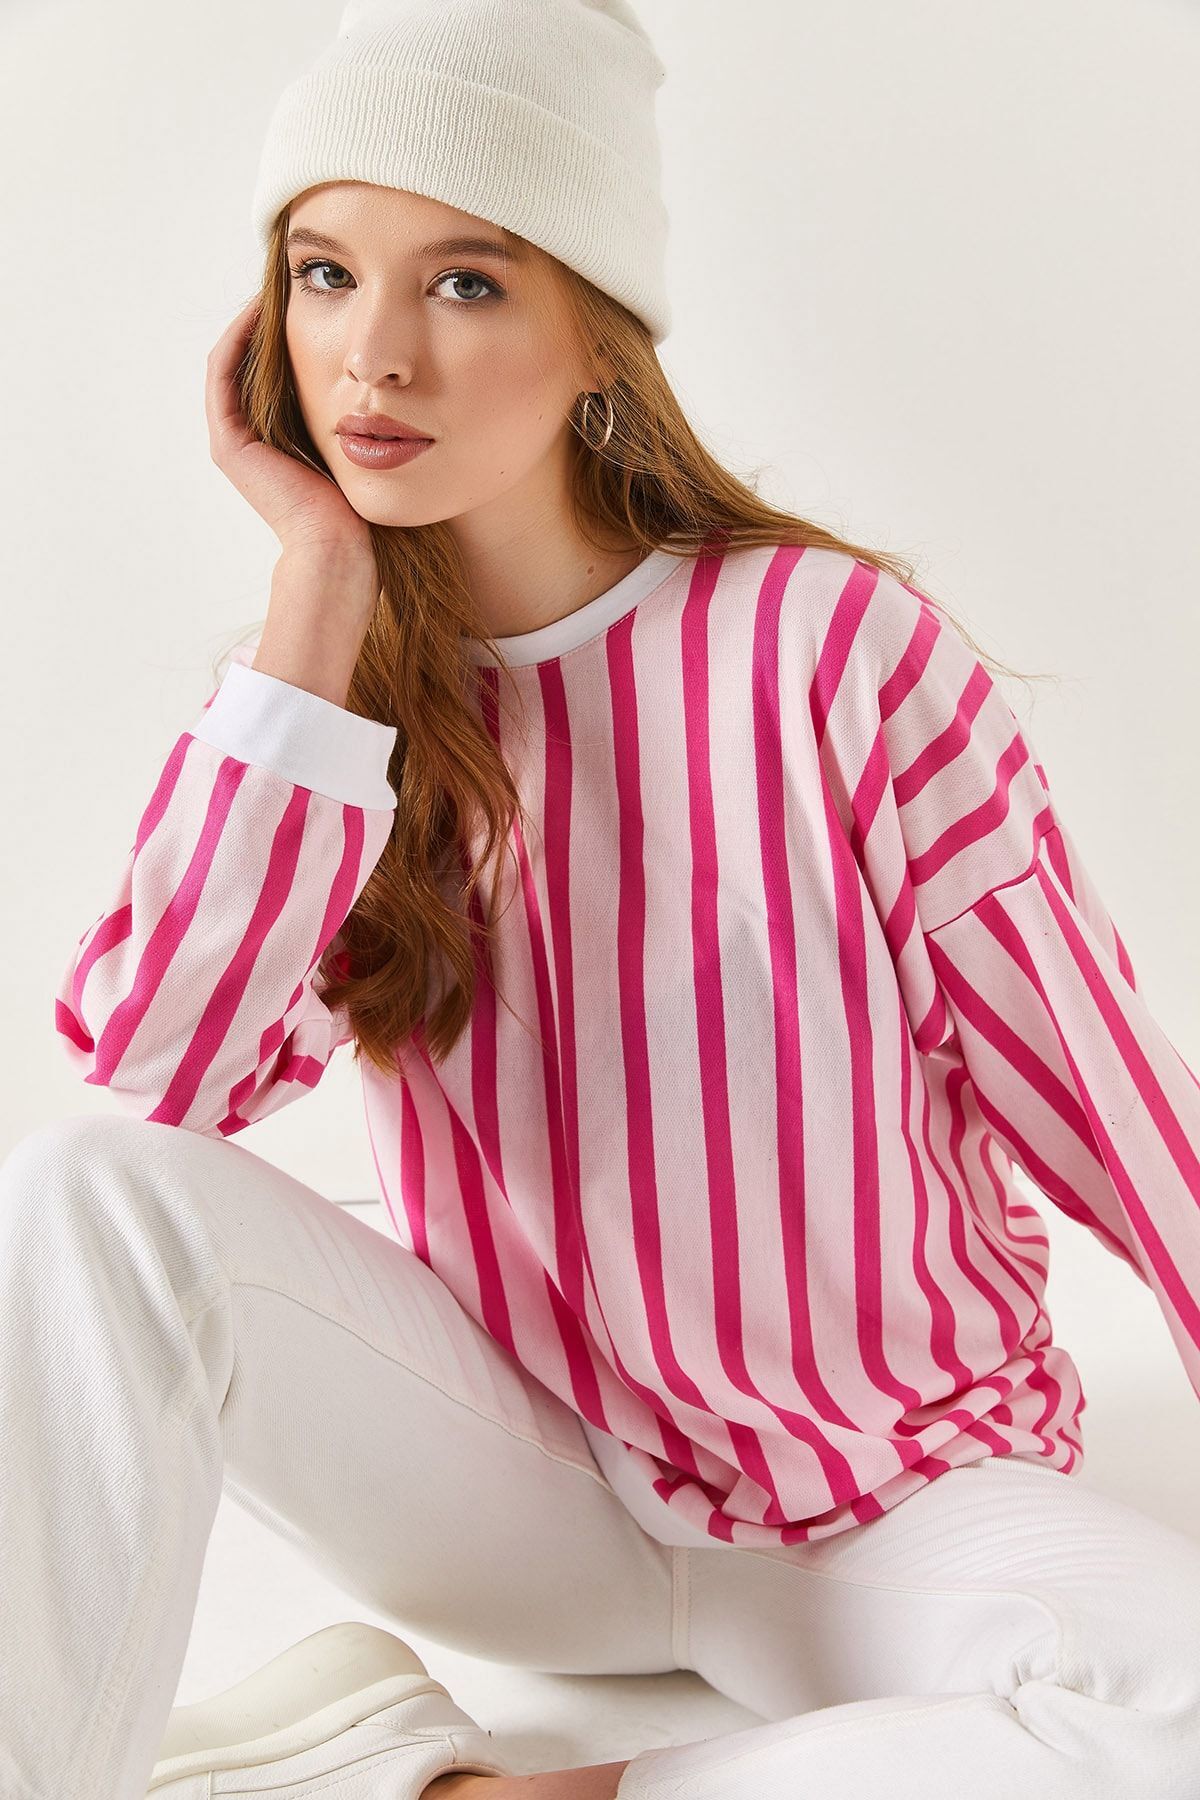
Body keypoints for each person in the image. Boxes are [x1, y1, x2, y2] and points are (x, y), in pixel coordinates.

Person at [6, 0, 1200, 1796]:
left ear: (595, 340)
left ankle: (451, 1788)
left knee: (1180, 1707)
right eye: (325, 276)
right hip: (528, 1495)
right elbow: (162, 1078)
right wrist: (317, 584)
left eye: (465, 282)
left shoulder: (827, 649)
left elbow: (1104, 1091)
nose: (373, 356)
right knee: (84, 1190)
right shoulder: (331, 707)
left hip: (885, 1499)